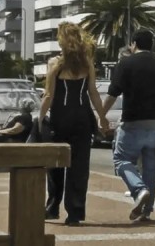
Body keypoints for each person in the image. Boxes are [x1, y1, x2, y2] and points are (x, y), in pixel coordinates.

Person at [39, 22, 109, 225]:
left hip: (60, 119)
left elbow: (49, 95)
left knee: (55, 165)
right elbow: (93, 93)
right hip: (82, 119)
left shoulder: (55, 64)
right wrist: (102, 118)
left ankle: (52, 207)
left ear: (61, 41)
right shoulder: (87, 64)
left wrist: (40, 118)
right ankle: (75, 212)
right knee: (79, 168)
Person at [102, 29, 155, 222]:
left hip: (132, 122)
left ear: (134, 44)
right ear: (152, 45)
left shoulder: (125, 64)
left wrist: (100, 115)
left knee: (121, 160)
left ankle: (138, 189)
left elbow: (112, 94)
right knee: (150, 165)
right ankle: (146, 211)